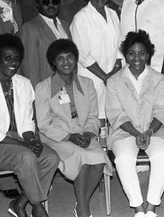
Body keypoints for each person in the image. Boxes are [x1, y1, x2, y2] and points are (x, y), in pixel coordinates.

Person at [0, 34, 59, 217]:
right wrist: (25, 145)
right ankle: (38, 208)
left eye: (17, 59)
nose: (13, 63)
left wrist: (32, 140)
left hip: (18, 139)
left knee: (51, 158)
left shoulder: (23, 84)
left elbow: (26, 121)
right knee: (26, 157)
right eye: (7, 58)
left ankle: (19, 203)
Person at [35, 39, 111, 217]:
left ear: (76, 60)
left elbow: (93, 116)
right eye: (60, 58)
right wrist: (69, 136)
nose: (66, 62)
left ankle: (81, 202)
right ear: (53, 62)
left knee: (99, 160)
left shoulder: (87, 84)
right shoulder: (43, 88)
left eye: (69, 57)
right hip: (57, 138)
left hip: (84, 134)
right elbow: (44, 124)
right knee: (82, 160)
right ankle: (83, 208)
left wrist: (88, 133)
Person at [106, 30, 164, 217]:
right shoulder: (114, 81)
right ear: (125, 55)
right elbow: (116, 115)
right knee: (124, 158)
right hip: (125, 132)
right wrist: (136, 133)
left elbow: (163, 110)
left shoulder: (159, 79)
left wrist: (149, 132)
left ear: (148, 54)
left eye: (141, 53)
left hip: (155, 130)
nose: (137, 58)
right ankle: (138, 208)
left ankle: (151, 208)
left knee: (162, 156)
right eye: (132, 53)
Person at [70, 0, 122, 119]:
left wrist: (115, 71)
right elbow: (83, 55)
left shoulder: (113, 14)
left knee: (114, 116)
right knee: (94, 118)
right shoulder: (81, 18)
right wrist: (105, 77)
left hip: (113, 75)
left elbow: (119, 45)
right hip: (92, 77)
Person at [18, 0, 71, 87]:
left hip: (67, 85)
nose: (51, 5)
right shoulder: (30, 28)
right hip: (46, 88)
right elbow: (30, 68)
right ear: (38, 5)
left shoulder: (66, 25)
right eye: (45, 2)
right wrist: (38, 96)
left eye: (55, 1)